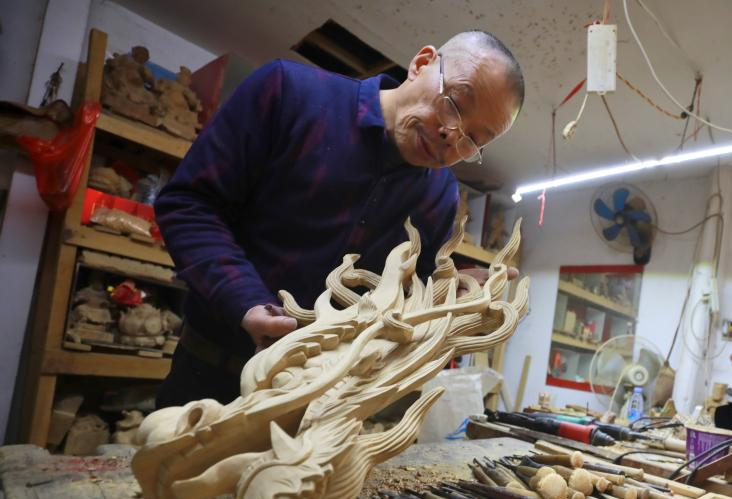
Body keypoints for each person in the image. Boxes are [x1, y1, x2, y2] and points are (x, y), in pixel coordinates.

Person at [154, 30, 525, 408]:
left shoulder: (440, 195)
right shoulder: (289, 92)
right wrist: (246, 302)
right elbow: (189, 204)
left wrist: (448, 292)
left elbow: (410, 293)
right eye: (455, 104)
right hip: (208, 373)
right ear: (421, 63)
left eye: (474, 139)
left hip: (322, 400)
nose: (451, 134)